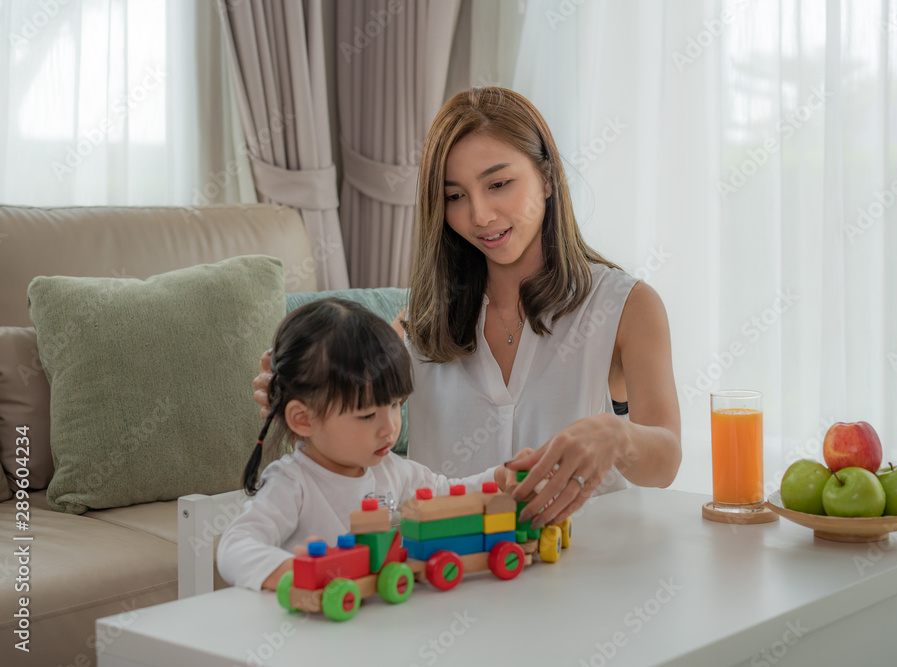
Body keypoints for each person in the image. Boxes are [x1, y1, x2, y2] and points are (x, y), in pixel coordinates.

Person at [254, 86, 681, 535]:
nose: (479, 215)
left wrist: (619, 437)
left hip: (580, 572)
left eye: (499, 184)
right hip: (449, 571)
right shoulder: (423, 320)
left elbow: (666, 461)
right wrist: (302, 389)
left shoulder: (626, 306)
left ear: (548, 178)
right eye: (455, 196)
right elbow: (349, 399)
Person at [220, 297, 513, 592]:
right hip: (309, 629)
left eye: (396, 405)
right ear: (303, 419)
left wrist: (498, 478)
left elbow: (446, 494)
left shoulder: (392, 470)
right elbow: (235, 546)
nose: (390, 427)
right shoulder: (292, 483)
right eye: (368, 414)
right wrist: (290, 571)